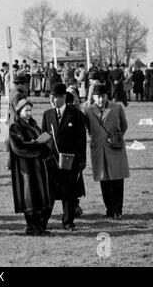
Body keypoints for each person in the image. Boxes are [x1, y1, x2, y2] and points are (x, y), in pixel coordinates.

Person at [41, 83, 87, 232]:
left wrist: (81, 160)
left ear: (62, 98)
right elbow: (44, 136)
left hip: (70, 160)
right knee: (50, 193)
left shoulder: (76, 115)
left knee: (69, 192)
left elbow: (81, 139)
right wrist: (37, 149)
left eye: (54, 97)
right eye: (50, 97)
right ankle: (42, 222)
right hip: (52, 161)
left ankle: (68, 222)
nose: (51, 100)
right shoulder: (47, 114)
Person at [84, 84, 130, 220]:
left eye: (103, 96)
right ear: (93, 97)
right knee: (104, 180)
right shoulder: (88, 110)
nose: (100, 100)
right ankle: (109, 209)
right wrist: (94, 138)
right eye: (98, 97)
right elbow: (87, 127)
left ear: (107, 96)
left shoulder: (116, 107)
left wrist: (117, 137)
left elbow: (124, 125)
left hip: (115, 147)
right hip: (98, 149)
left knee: (117, 179)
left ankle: (118, 210)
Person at [9, 99, 52, 236]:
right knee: (29, 196)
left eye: (30, 110)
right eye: (26, 110)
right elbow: (18, 147)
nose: (29, 113)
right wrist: (36, 147)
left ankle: (39, 226)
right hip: (26, 168)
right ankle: (31, 227)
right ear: (19, 111)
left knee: (40, 196)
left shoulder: (34, 124)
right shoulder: (15, 127)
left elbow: (43, 142)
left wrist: (44, 146)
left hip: (39, 166)